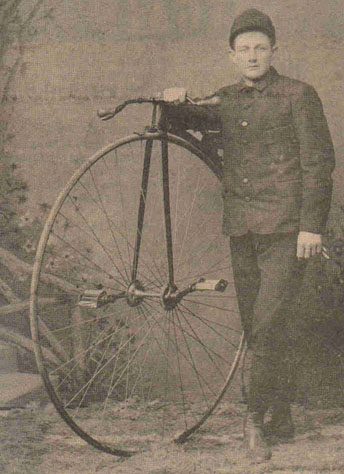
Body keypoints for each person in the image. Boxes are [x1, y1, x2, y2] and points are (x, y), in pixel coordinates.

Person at [161, 8, 335, 463]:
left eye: (260, 47)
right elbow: (182, 122)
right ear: (232, 55)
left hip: (286, 230)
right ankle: (279, 411)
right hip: (242, 228)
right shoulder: (227, 98)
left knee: (266, 323)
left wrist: (311, 226)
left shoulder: (298, 95)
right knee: (256, 322)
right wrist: (176, 101)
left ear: (273, 51)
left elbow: (319, 163)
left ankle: (253, 419)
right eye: (244, 49)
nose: (253, 56)